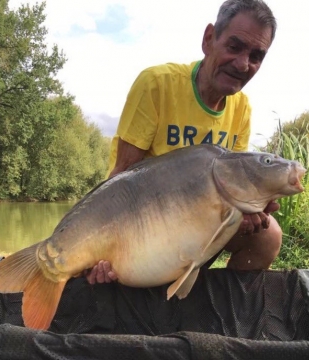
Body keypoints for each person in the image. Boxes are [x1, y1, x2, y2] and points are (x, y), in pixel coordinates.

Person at [85, 0, 281, 285]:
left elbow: (235, 184)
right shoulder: (156, 85)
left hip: (203, 224)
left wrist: (250, 209)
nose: (243, 64)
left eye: (256, 55)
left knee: (268, 236)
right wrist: (105, 245)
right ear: (209, 39)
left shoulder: (242, 108)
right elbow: (120, 177)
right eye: (234, 47)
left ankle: (213, 308)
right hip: (145, 226)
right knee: (99, 268)